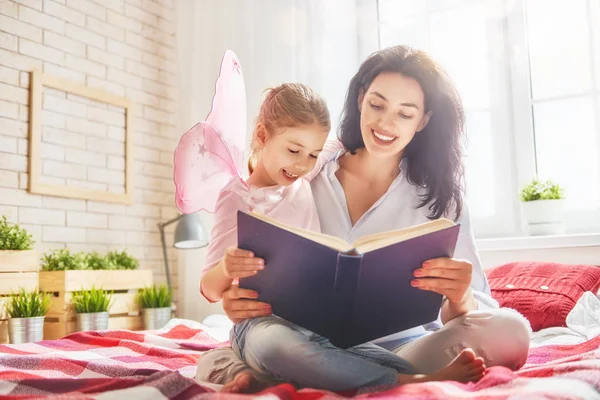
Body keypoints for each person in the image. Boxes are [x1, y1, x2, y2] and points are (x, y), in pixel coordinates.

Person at [195, 45, 531, 393]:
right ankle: (318, 367)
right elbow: (260, 190)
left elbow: (473, 311)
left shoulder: (441, 198)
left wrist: (460, 297)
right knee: (275, 344)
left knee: (512, 333)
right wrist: (233, 298)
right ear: (360, 100)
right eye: (377, 104)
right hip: (302, 334)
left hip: (405, 345)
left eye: (405, 113)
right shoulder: (310, 171)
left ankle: (291, 370)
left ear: (424, 120)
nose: (386, 123)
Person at [200, 82, 331, 304]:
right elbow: (209, 290)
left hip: (308, 314)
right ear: (262, 135)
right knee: (279, 338)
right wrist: (225, 268)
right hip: (261, 317)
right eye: (293, 151)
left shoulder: (303, 179)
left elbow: (346, 141)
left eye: (313, 155)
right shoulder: (237, 196)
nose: (302, 165)